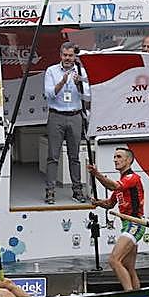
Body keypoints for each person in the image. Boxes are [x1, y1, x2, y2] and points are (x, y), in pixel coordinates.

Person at [89, 147, 146, 291]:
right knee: (128, 266)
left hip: (135, 223)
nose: (115, 160)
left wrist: (96, 174)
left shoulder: (132, 178)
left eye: (119, 157)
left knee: (114, 260)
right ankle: (137, 295)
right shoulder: (122, 183)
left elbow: (113, 186)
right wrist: (98, 202)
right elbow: (110, 203)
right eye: (114, 157)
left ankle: (129, 295)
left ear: (129, 160)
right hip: (128, 224)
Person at [44, 42, 89, 205]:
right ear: (60, 55)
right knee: (53, 156)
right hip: (56, 115)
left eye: (71, 55)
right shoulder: (51, 71)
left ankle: (77, 190)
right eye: (65, 55)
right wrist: (62, 82)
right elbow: (49, 94)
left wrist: (78, 83)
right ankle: (50, 191)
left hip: (75, 116)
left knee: (74, 156)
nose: (68, 58)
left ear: (75, 56)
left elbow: (88, 95)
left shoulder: (81, 71)